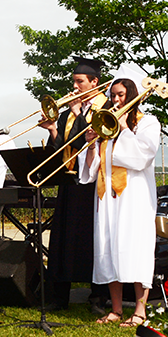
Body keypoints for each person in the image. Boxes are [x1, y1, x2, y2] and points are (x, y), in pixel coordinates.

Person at [80, 70, 161, 327]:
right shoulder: (105, 125)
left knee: (135, 249)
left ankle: (140, 310)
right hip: (107, 199)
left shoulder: (148, 122)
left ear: (133, 96)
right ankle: (115, 309)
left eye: (121, 95)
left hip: (134, 198)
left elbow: (142, 157)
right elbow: (91, 172)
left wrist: (124, 127)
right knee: (109, 249)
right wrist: (92, 144)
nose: (115, 100)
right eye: (113, 95)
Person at [42, 56, 112, 313]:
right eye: (74, 81)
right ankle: (59, 297)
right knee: (62, 239)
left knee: (94, 239)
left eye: (80, 81)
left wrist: (77, 113)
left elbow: (89, 140)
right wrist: (52, 130)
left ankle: (98, 298)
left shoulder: (106, 106)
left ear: (95, 82)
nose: (75, 86)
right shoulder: (71, 112)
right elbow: (65, 148)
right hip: (69, 180)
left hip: (95, 181)